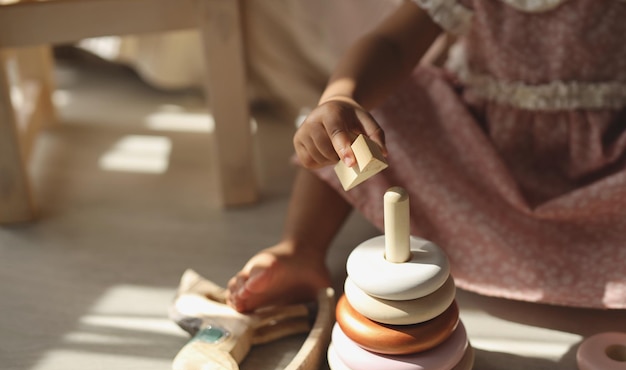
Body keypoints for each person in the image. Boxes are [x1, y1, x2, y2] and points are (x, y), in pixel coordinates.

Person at [227, 0, 626, 313]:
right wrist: (340, 98)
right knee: (372, 107)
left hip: (600, 174)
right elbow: (393, 44)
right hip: (480, 161)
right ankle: (302, 248)